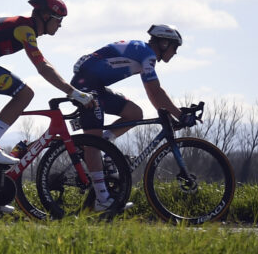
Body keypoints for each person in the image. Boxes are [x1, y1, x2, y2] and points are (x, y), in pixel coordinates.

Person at [0, 0, 94, 169]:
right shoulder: (25, 29)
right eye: (59, 19)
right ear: (45, 17)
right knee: (25, 93)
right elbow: (43, 67)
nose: (60, 25)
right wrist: (74, 92)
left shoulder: (24, 27)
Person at [70, 24, 187, 210]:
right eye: (175, 47)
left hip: (95, 86)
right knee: (93, 141)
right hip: (86, 86)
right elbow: (155, 91)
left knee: (134, 113)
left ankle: (105, 146)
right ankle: (102, 200)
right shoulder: (147, 54)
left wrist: (167, 114)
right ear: (164, 43)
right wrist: (179, 114)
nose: (175, 53)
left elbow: (152, 92)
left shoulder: (143, 52)